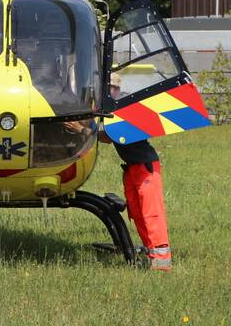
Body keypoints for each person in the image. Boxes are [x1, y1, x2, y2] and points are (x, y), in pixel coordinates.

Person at [66, 74, 172, 271]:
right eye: (108, 88)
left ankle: (162, 263)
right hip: (133, 168)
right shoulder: (114, 110)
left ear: (116, 89)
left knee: (151, 214)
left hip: (145, 167)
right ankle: (151, 256)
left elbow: (110, 136)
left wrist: (81, 130)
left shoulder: (127, 109)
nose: (110, 91)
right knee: (138, 214)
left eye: (113, 88)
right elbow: (103, 131)